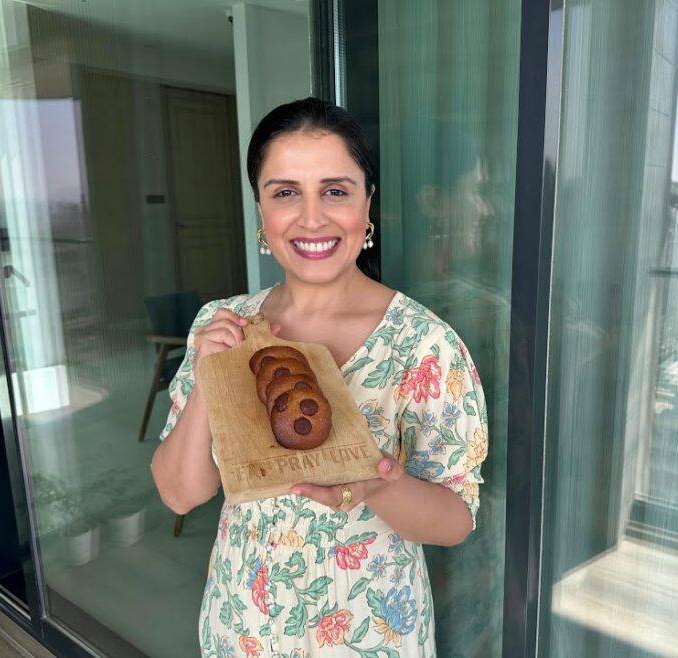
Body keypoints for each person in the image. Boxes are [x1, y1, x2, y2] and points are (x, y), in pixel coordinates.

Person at [151, 97, 489, 657]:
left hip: (371, 634)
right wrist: (214, 379)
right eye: (285, 192)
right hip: (245, 626)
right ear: (260, 208)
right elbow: (180, 493)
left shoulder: (424, 344)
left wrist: (380, 482)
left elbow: (456, 520)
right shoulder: (222, 324)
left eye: (335, 190)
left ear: (367, 203)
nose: (312, 218)